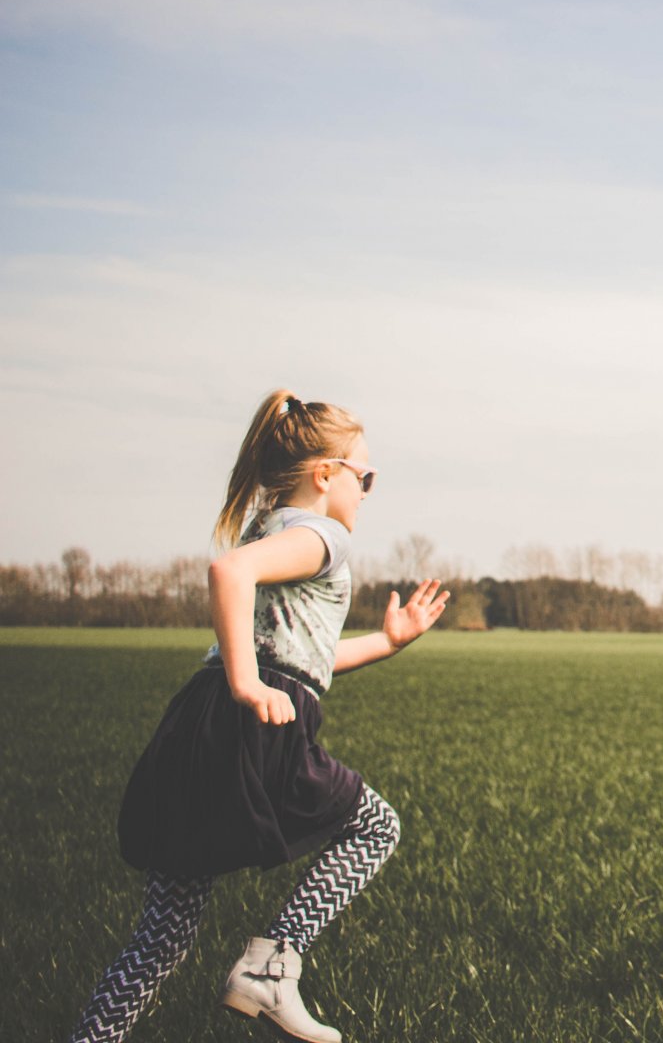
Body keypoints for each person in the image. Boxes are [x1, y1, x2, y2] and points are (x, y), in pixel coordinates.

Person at [68, 390, 449, 1043]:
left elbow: (300, 655)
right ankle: (273, 966)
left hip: (200, 721)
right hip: (257, 722)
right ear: (324, 474)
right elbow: (229, 574)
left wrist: (387, 642)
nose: (368, 491)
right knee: (375, 829)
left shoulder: (269, 526)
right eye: (366, 476)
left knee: (162, 935)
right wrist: (248, 686)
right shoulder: (321, 536)